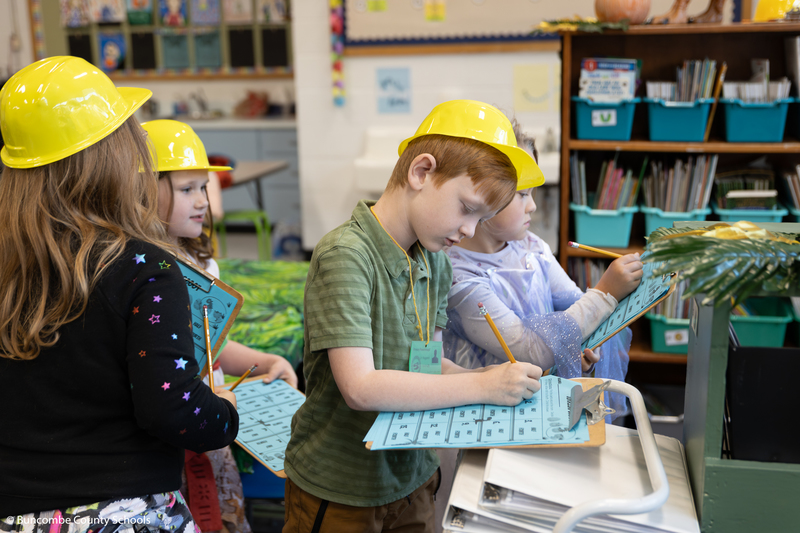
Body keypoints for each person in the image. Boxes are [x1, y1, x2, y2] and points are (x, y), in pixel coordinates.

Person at [282, 100, 544, 533]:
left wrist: (494, 380)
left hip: (415, 478)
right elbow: (361, 388)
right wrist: (481, 384)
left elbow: (426, 364)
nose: (469, 231)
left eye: (482, 219)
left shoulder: (436, 263)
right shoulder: (346, 255)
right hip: (344, 488)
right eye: (466, 208)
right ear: (421, 172)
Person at [0, 56, 238, 530]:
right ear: (114, 156)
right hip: (124, 512)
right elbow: (175, 410)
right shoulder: (144, 266)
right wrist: (224, 409)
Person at [142, 119, 298, 533]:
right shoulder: (140, 274)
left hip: (211, 424)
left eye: (204, 188)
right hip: (168, 439)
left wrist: (264, 360)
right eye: (186, 189)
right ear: (145, 190)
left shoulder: (200, 263)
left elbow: (209, 345)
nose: (202, 201)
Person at [443, 122, 641, 415]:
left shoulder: (532, 247)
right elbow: (530, 350)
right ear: (481, 195)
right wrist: (605, 293)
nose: (533, 206)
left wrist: (582, 349)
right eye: (522, 194)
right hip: (487, 415)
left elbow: (576, 308)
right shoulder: (461, 280)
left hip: (540, 402)